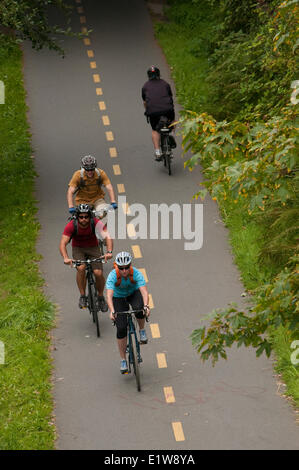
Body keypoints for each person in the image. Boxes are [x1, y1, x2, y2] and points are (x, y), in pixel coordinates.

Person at [59, 203, 113, 311]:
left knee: (98, 273)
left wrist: (109, 252)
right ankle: (83, 296)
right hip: (78, 248)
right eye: (81, 217)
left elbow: (107, 237)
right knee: (81, 268)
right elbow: (63, 243)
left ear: (90, 216)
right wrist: (65, 257)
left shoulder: (96, 223)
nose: (84, 219)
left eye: (86, 217)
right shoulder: (71, 225)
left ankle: (101, 297)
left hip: (93, 247)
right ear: (77, 217)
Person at [106, 252, 150, 373]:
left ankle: (141, 330)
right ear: (117, 267)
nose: (124, 271)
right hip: (118, 298)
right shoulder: (112, 276)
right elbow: (109, 296)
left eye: (127, 267)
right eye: (121, 268)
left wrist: (146, 306)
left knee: (140, 308)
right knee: (121, 328)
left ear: (130, 266)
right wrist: (112, 311)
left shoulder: (136, 273)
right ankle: (123, 360)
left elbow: (144, 292)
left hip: (133, 293)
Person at [142, 65, 176, 161]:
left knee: (155, 130)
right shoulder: (165, 84)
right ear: (159, 74)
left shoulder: (145, 86)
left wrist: (147, 110)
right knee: (173, 121)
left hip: (153, 112)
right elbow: (170, 97)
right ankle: (172, 135)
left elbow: (145, 102)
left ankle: (157, 152)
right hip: (168, 110)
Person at [67, 155, 117, 220]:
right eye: (87, 170)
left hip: (97, 199)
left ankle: (103, 229)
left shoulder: (100, 173)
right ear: (83, 168)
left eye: (92, 169)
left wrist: (113, 201)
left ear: (95, 168)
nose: (90, 172)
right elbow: (70, 191)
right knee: (82, 219)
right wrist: (71, 206)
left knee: (103, 214)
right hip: (83, 200)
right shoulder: (78, 175)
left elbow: (109, 187)